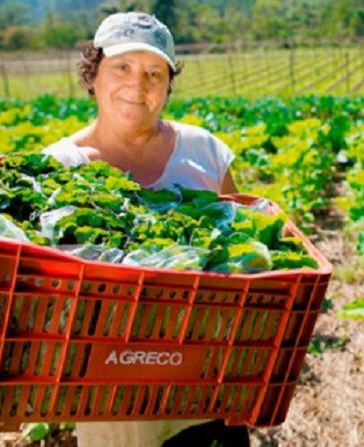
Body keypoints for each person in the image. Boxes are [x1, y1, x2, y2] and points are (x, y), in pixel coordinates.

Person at [41, 11, 248, 447]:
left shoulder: (205, 152)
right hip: (111, 397)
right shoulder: (60, 167)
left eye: (154, 72)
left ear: (168, 84)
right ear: (92, 73)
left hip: (205, 378)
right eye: (122, 67)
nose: (137, 86)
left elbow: (241, 242)